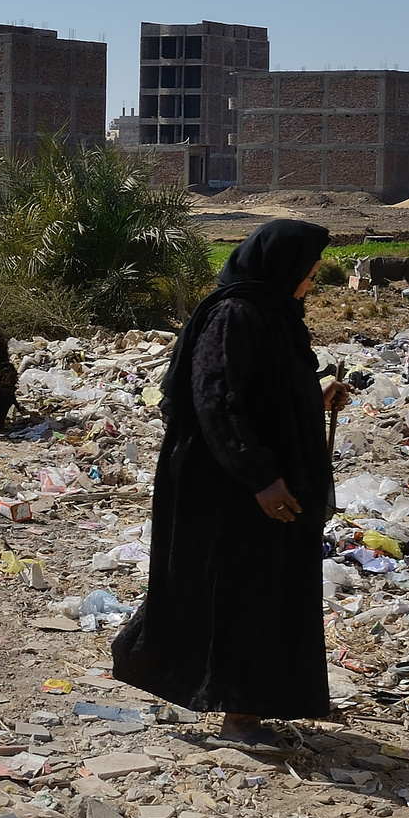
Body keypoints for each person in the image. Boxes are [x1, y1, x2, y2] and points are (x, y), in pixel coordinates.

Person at [112, 219, 350, 750]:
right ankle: (237, 716)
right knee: (239, 591)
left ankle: (248, 701)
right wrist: (261, 478)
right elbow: (216, 399)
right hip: (225, 485)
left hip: (258, 479)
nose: (310, 283)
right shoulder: (233, 315)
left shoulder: (273, 315)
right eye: (307, 273)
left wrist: (315, 396)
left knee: (266, 589)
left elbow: (265, 392)